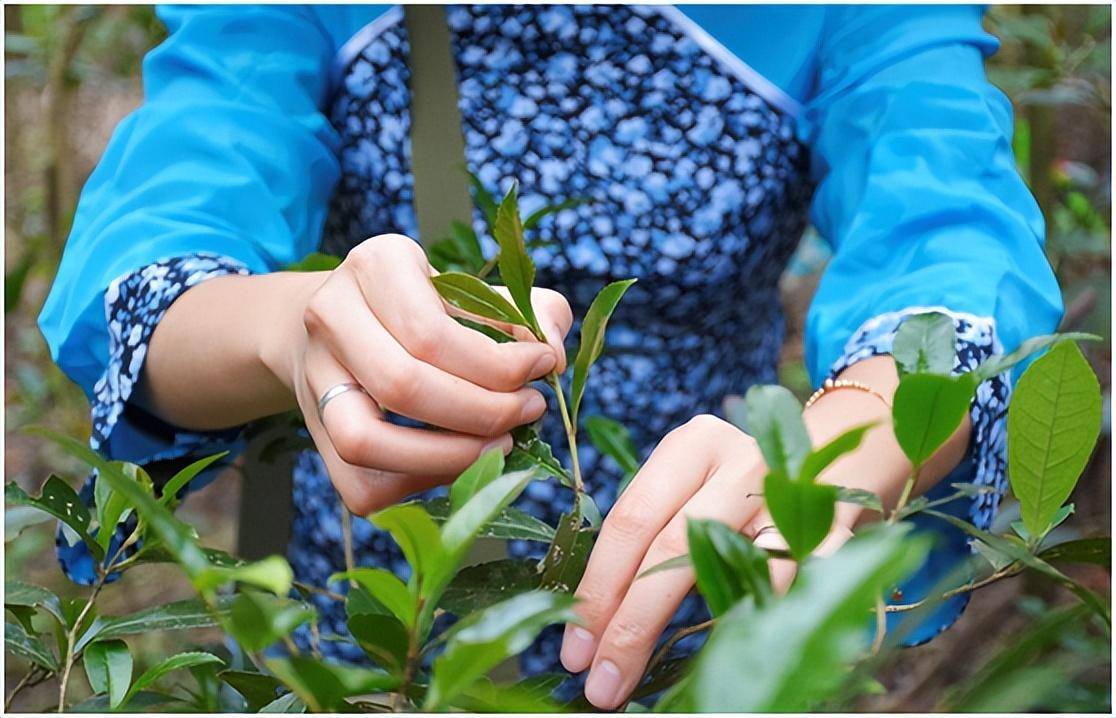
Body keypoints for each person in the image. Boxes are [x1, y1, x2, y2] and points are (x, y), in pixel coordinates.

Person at [40, 4, 1062, 710]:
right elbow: (159, 245)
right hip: (370, 631)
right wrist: (299, 324)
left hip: (701, 613)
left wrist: (835, 450)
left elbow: (950, 228)